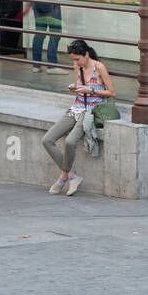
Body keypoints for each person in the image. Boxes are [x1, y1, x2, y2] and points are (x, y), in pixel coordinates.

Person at [40, 39, 114, 196]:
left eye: (77, 59)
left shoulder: (99, 67)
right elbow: (79, 86)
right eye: (73, 59)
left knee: (70, 141)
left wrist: (91, 90)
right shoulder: (77, 66)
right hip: (75, 108)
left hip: (91, 111)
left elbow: (112, 93)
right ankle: (71, 175)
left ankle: (62, 178)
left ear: (86, 55)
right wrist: (74, 88)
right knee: (47, 140)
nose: (75, 62)